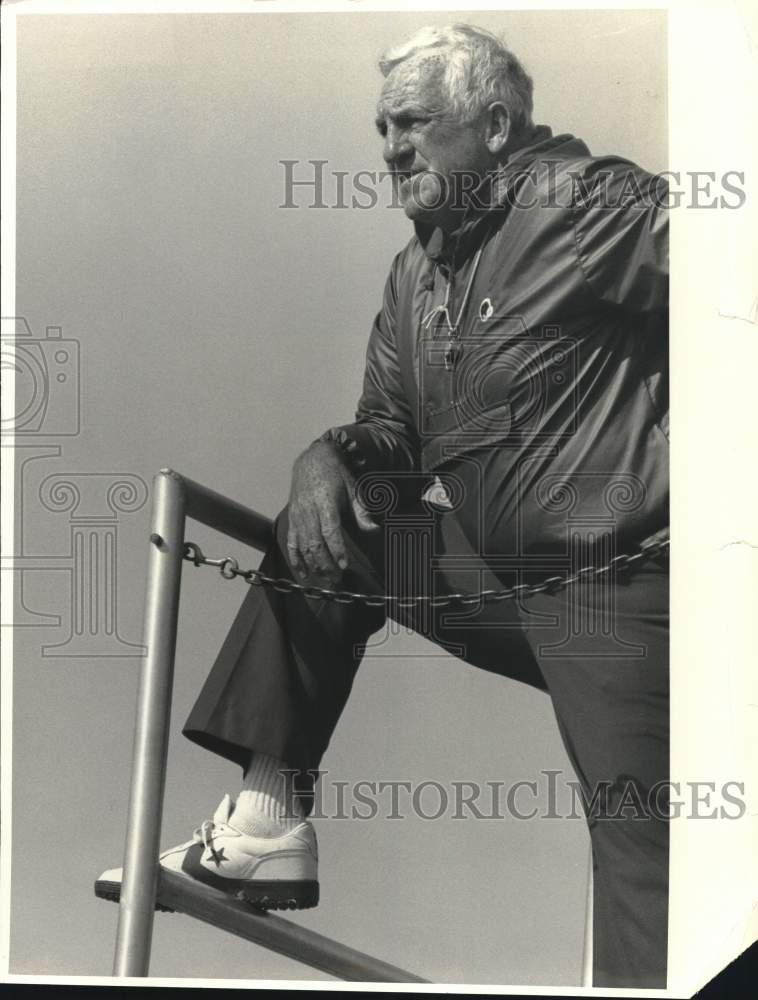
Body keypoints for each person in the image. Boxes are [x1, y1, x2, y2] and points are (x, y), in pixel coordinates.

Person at [97, 24, 669, 988]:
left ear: (494, 125)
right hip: (491, 584)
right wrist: (328, 455)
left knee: (648, 854)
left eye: (413, 123)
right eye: (382, 128)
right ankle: (269, 820)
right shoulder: (416, 277)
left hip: (622, 595)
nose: (392, 147)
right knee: (338, 505)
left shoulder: (581, 203)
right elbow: (391, 435)